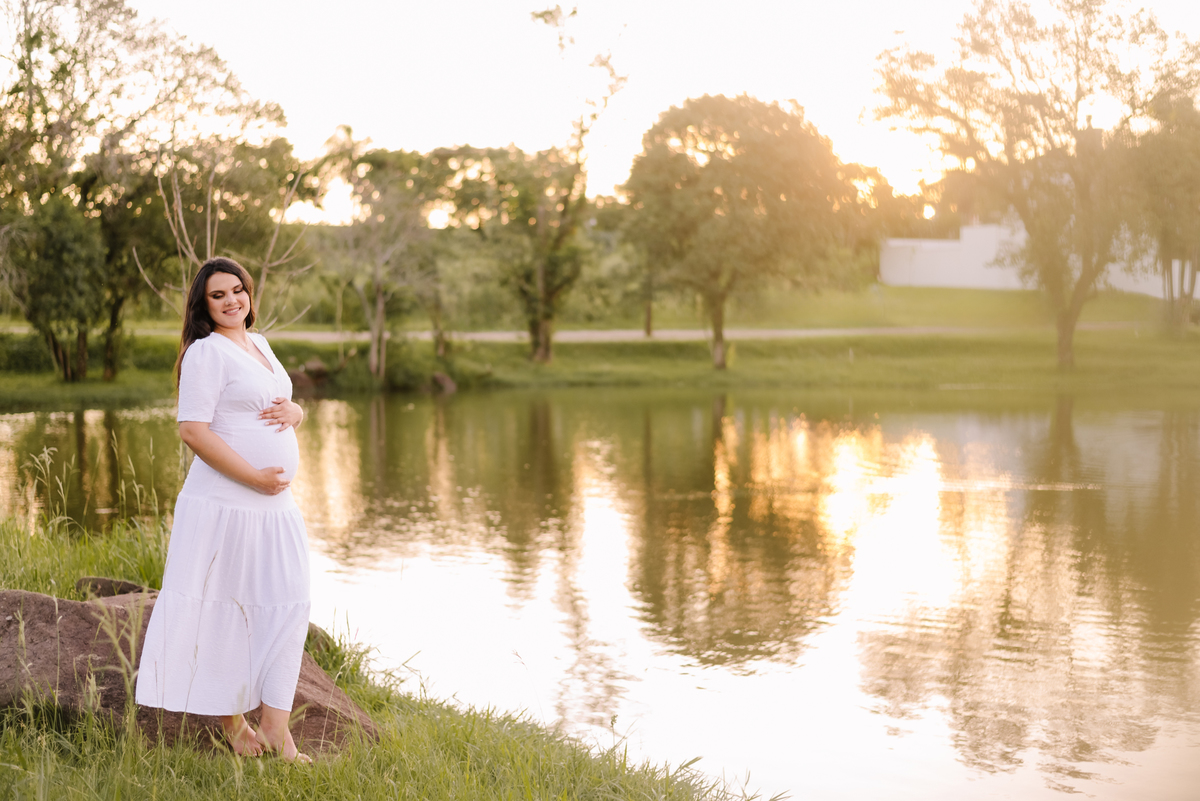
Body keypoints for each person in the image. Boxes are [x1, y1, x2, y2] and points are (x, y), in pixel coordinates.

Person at [135, 257, 312, 762]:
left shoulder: (259, 343)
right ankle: (237, 729)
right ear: (203, 304)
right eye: (219, 294)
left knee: (290, 600)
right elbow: (193, 429)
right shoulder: (205, 354)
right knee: (220, 608)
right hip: (225, 504)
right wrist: (254, 477)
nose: (233, 300)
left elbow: (276, 401)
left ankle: (276, 728)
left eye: (238, 290)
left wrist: (297, 411)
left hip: (275, 510)